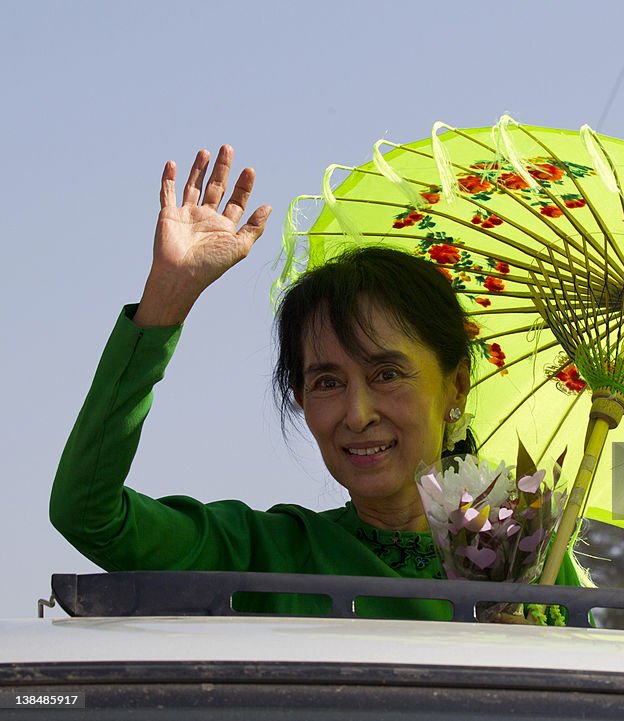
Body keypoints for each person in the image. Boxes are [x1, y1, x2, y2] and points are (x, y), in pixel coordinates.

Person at [50, 145, 578, 619]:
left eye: (387, 374)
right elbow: (89, 514)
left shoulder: (528, 558)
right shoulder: (267, 556)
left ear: (456, 387)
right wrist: (166, 298)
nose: (357, 413)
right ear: (300, 399)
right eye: (327, 383)